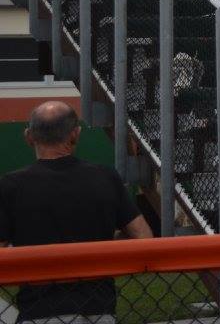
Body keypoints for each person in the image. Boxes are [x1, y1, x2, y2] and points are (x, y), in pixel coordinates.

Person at [0, 102, 153, 321]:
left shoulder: (10, 186)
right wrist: (103, 242)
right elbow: (143, 236)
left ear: (29, 136)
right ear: (76, 134)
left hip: (39, 310)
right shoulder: (105, 177)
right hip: (98, 308)